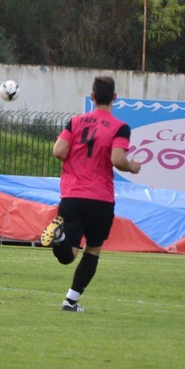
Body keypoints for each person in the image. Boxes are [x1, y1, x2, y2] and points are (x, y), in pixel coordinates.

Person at [38, 76, 141, 312]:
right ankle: (70, 301)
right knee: (93, 249)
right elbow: (117, 159)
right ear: (114, 97)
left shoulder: (75, 122)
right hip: (100, 197)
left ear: (92, 97)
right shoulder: (120, 127)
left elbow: (58, 151)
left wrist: (76, 158)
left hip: (72, 194)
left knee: (68, 254)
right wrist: (132, 167)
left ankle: (60, 239)